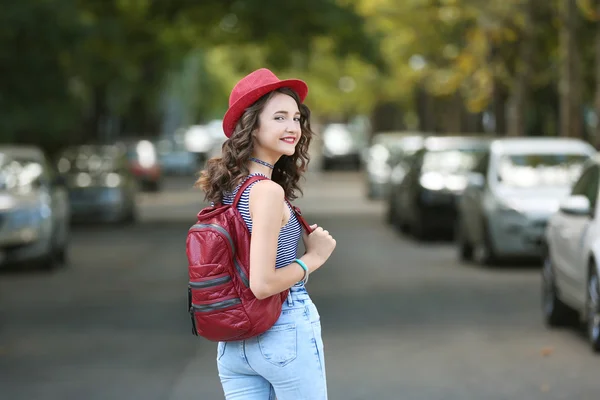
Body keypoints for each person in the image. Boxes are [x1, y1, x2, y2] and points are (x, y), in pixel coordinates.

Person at [195, 68, 337, 399]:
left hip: (234, 343)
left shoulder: (229, 187)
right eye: (279, 117)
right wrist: (313, 258)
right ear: (252, 127)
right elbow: (261, 284)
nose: (293, 127)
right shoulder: (266, 192)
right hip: (283, 328)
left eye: (297, 118)